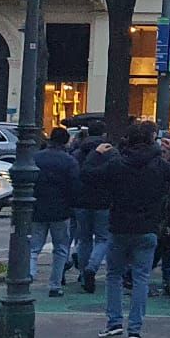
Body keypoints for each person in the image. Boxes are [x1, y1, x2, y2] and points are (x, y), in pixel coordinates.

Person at [83, 122, 170, 338]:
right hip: (147, 226)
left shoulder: (117, 164)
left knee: (114, 275)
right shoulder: (159, 165)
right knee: (141, 277)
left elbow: (88, 175)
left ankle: (114, 322)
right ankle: (135, 328)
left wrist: (95, 154)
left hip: (120, 224)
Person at [30, 126, 79, 296]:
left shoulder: (36, 158)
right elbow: (74, 186)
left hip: (37, 207)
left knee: (34, 246)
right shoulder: (69, 161)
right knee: (60, 248)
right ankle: (55, 285)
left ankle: (30, 273)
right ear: (65, 141)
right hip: (61, 209)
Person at [67, 126, 113, 295]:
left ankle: (83, 272)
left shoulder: (78, 153)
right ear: (103, 134)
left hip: (81, 201)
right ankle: (92, 268)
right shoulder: (109, 152)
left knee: (84, 239)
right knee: (102, 238)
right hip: (103, 201)